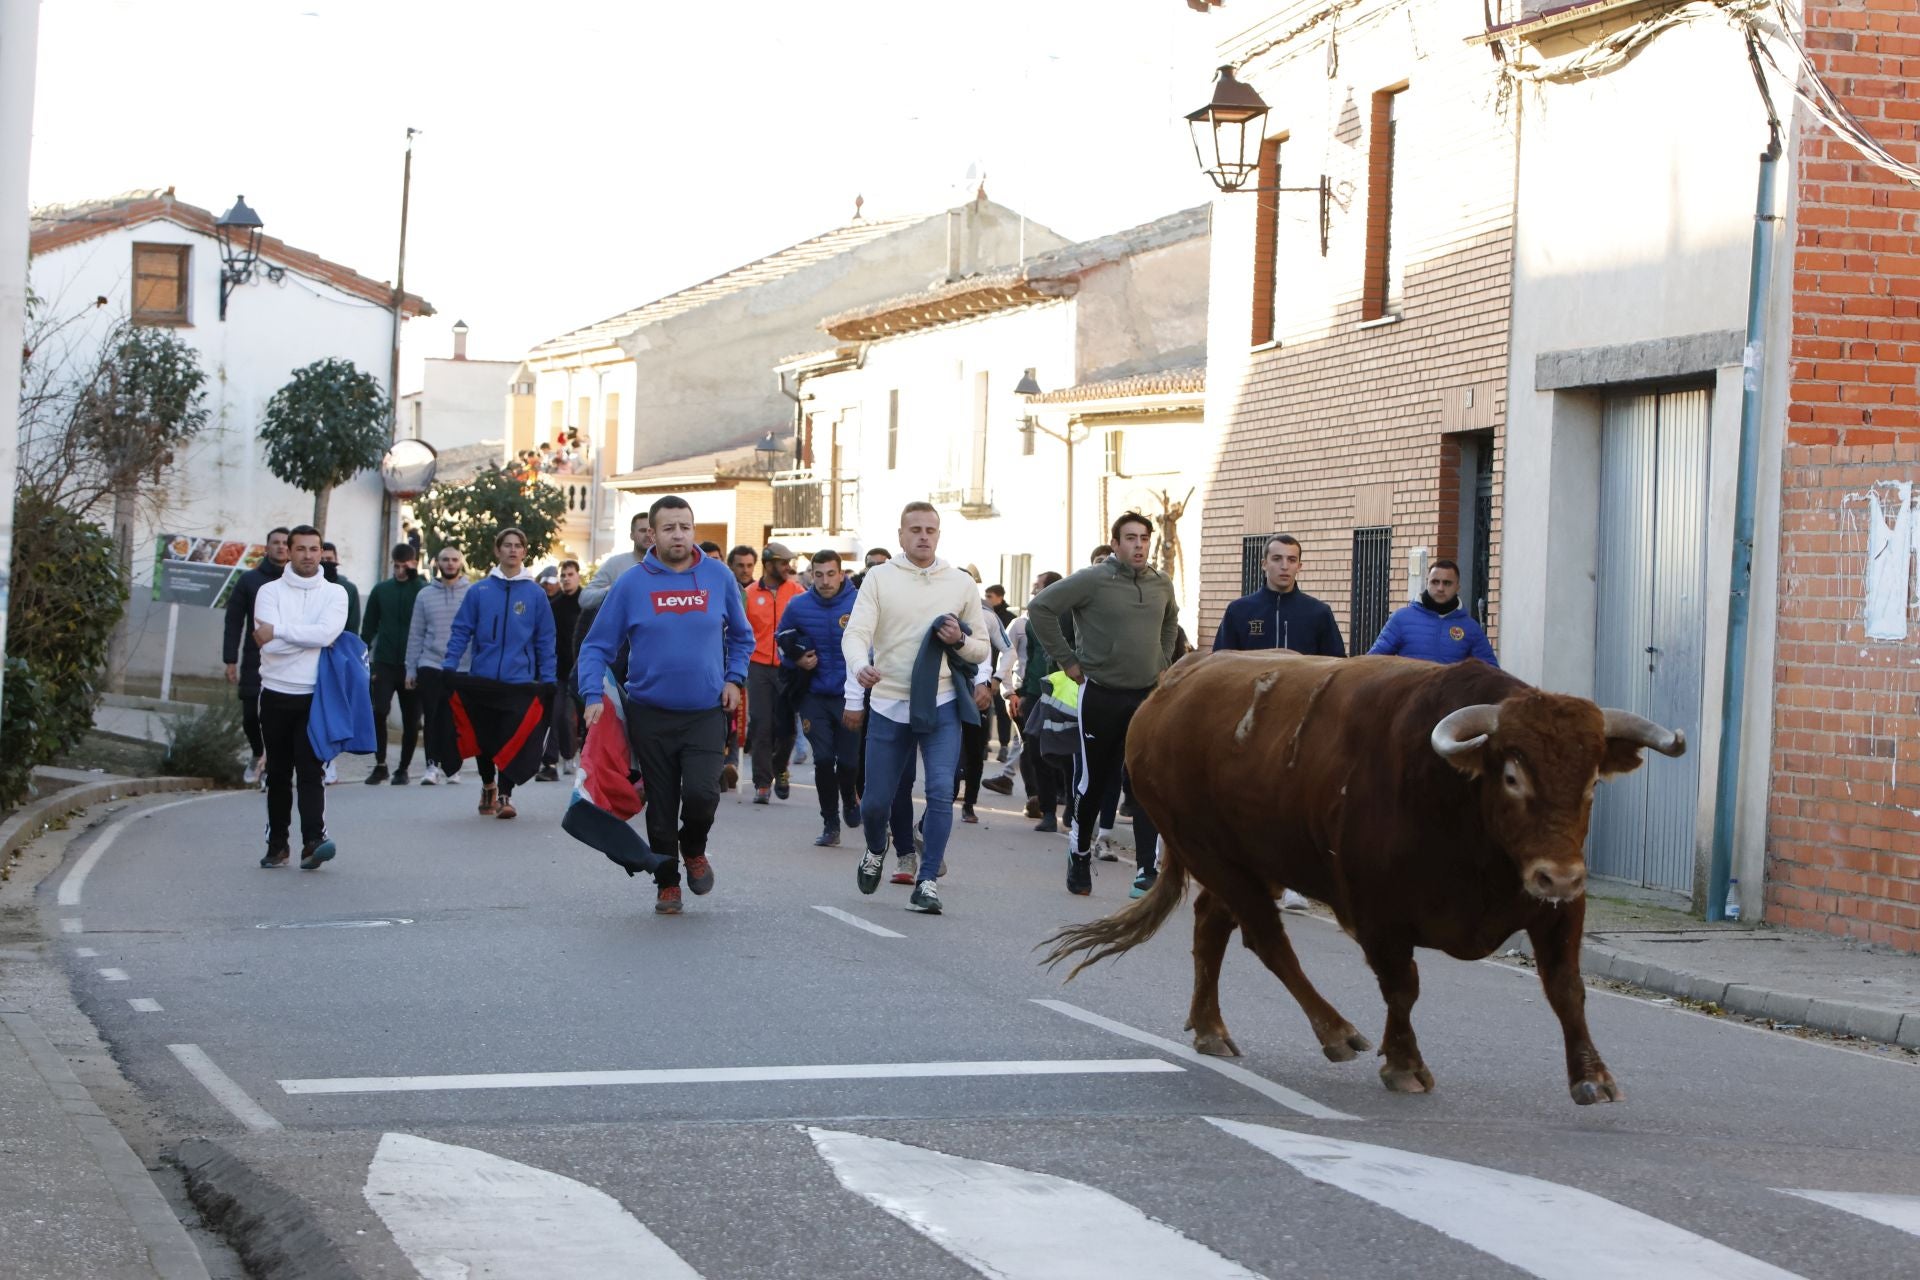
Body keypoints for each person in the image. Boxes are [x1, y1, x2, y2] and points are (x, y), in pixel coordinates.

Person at [577, 496, 752, 916]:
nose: (679, 535)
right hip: (649, 713)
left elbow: (742, 638)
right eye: (670, 528)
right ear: (652, 534)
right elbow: (596, 646)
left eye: (686, 527)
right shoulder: (631, 584)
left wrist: (734, 679)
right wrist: (590, 696)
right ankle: (667, 882)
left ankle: (693, 848)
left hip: (706, 711)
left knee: (701, 794)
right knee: (661, 804)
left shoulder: (718, 577)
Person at [843, 502, 991, 915]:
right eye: (915, 529)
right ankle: (876, 847)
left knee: (941, 792)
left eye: (931, 529)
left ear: (939, 535)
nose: (923, 536)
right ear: (901, 535)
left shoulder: (960, 583)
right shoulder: (880, 577)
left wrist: (958, 641)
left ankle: (927, 882)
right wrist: (860, 667)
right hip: (890, 701)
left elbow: (980, 648)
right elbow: (856, 634)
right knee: (875, 803)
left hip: (941, 702)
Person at [1027, 513, 1179, 899]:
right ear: (1115, 544)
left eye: (1145, 538)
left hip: (1146, 695)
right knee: (1094, 781)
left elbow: (1170, 622)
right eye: (1131, 538)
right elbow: (1042, 608)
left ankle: (1146, 868)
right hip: (1099, 693)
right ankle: (1079, 855)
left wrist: (1162, 661)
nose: (1140, 545)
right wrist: (1067, 660)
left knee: (1147, 780)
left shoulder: (1161, 583)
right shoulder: (1093, 579)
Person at [442, 528, 556, 820]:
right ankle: (488, 785)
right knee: (485, 740)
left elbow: (545, 639)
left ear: (524, 552)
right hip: (482, 678)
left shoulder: (535, 594)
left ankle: (505, 794)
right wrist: (449, 665)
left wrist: (548, 677)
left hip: (519, 682)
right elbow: (461, 631)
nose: (513, 550)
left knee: (511, 738)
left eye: (519, 545)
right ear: (498, 551)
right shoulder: (479, 591)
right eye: (507, 545)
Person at [252, 526, 348, 870]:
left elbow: (325, 634)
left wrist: (278, 630)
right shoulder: (268, 591)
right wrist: (302, 639)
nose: (308, 555)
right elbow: (271, 648)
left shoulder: (336, 594)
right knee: (277, 773)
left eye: (314, 549)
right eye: (301, 549)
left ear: (321, 552)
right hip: (275, 693)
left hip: (314, 697)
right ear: (287, 552)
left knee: (311, 771)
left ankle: (313, 841)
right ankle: (277, 844)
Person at [778, 550, 862, 846]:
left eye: (831, 574)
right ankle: (830, 823)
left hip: (850, 695)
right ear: (811, 575)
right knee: (824, 760)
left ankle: (851, 799)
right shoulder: (798, 605)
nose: (825, 581)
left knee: (849, 762)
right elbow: (781, 641)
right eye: (819, 574)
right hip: (813, 695)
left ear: (841, 574)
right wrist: (797, 660)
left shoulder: (860, 603)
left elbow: (878, 642)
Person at [223, 526, 290, 785]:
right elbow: (233, 621)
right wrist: (230, 660)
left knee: (278, 719)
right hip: (255, 659)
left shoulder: (295, 582)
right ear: (267, 547)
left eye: (285, 543)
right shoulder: (249, 581)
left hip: (286, 662)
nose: (281, 547)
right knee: (251, 716)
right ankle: (257, 753)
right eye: (276, 542)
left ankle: (273, 768)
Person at [1213, 534, 1346, 656]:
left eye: (1292, 560)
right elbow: (1220, 664)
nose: (1284, 566)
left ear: (1299, 566)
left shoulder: (1319, 612)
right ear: (1264, 564)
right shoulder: (1238, 610)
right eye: (1277, 559)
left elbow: (1336, 665)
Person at [745, 541, 805, 804]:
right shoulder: (748, 594)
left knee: (787, 727)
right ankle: (761, 783)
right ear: (768, 564)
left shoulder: (798, 592)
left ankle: (780, 767)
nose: (788, 567)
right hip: (757, 666)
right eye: (783, 563)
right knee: (760, 725)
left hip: (788, 667)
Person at [405, 544, 470, 785]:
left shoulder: (471, 593)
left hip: (462, 666)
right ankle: (431, 766)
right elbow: (416, 634)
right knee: (431, 717)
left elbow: (477, 633)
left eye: (454, 559)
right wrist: (410, 668)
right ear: (437, 563)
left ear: (460, 563)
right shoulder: (424, 594)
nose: (450, 563)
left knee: (454, 720)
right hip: (430, 663)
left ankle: (453, 768)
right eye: (445, 559)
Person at [360, 543, 425, 785]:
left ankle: (403, 769)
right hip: (385, 661)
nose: (399, 571)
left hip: (412, 663)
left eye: (404, 566)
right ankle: (380, 764)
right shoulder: (381, 590)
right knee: (378, 711)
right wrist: (366, 662)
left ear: (414, 564)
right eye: (396, 566)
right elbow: (368, 627)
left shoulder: (422, 590)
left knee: (411, 719)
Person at [1369, 558, 1498, 666]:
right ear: (1427, 583)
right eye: (1435, 582)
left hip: (1450, 696)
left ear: (1457, 587)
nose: (1440, 588)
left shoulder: (1470, 628)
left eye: (1447, 583)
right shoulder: (1401, 619)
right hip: (1411, 695)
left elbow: (1491, 673)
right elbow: (1372, 662)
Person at [537, 561, 585, 780]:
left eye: (570, 574)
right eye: (562, 575)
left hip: (582, 672)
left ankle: (570, 755)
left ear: (578, 576)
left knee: (569, 718)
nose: (566, 578)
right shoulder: (553, 606)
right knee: (554, 716)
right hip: (557, 672)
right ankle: (550, 763)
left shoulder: (587, 604)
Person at [581, 512, 654, 610]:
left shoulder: (668, 566)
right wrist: (613, 590)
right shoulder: (615, 564)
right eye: (642, 530)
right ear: (631, 535)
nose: (647, 535)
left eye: (651, 531)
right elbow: (585, 598)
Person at [319, 542, 361, 634]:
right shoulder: (311, 586)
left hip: (340, 644)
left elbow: (353, 625)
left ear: (336, 559)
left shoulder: (349, 589)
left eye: (329, 559)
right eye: (322, 559)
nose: (325, 562)